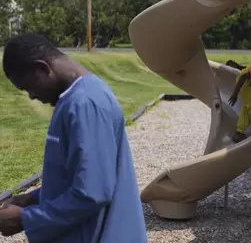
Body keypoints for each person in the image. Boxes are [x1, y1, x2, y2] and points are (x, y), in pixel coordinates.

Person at [0, 33, 147, 242]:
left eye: (28, 87)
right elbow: (76, 175)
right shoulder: (75, 99)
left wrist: (25, 219)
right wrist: (33, 198)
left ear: (43, 68)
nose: (32, 96)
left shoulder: (85, 103)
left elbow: (92, 193)